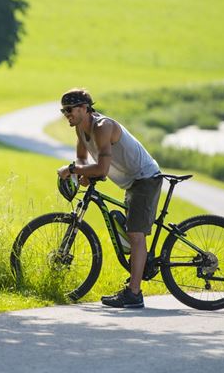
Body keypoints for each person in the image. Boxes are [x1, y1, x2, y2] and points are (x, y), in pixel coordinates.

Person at [57, 88, 161, 309]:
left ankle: (134, 293)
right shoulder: (80, 129)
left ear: (85, 108)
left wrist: (73, 169)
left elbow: (102, 169)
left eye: (70, 109)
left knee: (135, 234)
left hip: (145, 177)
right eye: (63, 111)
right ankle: (135, 279)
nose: (67, 114)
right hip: (132, 181)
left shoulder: (103, 127)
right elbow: (83, 160)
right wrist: (80, 172)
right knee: (130, 231)